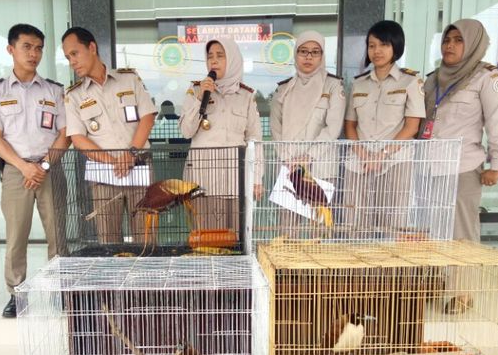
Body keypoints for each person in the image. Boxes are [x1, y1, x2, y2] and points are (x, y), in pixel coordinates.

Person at [0, 24, 69, 318]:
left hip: (50, 168)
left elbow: (64, 133)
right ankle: (16, 293)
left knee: (58, 233)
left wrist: (42, 165)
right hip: (16, 171)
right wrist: (24, 166)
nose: (34, 53)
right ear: (11, 49)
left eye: (39, 47)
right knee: (17, 234)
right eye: (27, 46)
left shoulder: (54, 90)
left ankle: (61, 291)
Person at [420, 18, 498, 314]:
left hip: (463, 166)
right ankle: (434, 282)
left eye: (458, 40)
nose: (450, 46)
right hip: (430, 167)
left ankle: (462, 292)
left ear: (472, 44)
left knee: (461, 233)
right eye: (447, 39)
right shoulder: (433, 78)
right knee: (430, 230)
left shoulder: (485, 77)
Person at [61, 27, 157, 246]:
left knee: (146, 236)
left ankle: (147, 279)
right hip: (104, 173)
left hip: (139, 167)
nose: (72, 62)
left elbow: (147, 117)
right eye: (68, 57)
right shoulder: (74, 95)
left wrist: (131, 154)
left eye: (75, 54)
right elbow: (77, 138)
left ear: (92, 47)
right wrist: (115, 162)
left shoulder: (129, 79)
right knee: (109, 241)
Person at [344, 20, 425, 238]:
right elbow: (350, 125)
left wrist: (382, 155)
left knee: (393, 225)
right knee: (356, 224)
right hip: (358, 164)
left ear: (396, 47)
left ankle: (388, 272)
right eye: (372, 45)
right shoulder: (359, 83)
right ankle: (359, 272)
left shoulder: (410, 81)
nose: (377, 51)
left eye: (384, 45)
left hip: (395, 163)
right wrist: (362, 153)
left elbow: (412, 126)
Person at [179, 37, 263, 234]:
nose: (213, 61)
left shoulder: (246, 96)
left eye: (220, 56)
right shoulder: (195, 90)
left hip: (236, 182)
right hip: (203, 182)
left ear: (232, 59)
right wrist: (201, 99)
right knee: (206, 242)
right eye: (210, 57)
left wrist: (257, 178)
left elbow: (254, 139)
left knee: (236, 240)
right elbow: (186, 131)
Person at [270, 30, 346, 237]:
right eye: (303, 51)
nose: (308, 57)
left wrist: (308, 157)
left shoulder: (333, 86)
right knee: (287, 230)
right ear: (295, 54)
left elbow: (333, 128)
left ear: (322, 56)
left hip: (320, 167)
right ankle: (287, 271)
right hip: (290, 167)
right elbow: (275, 127)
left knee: (318, 231)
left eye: (315, 52)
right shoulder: (284, 89)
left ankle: (315, 271)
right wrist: (289, 159)